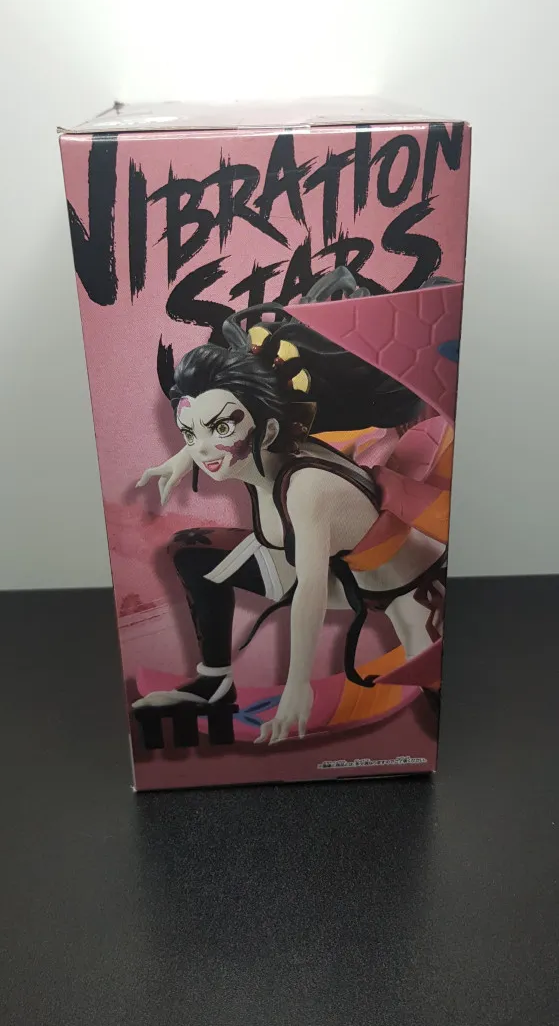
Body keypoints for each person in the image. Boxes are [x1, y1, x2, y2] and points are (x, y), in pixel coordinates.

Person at [133, 269, 448, 744]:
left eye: (220, 430)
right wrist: (181, 457)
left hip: (409, 587)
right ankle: (214, 684)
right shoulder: (264, 437)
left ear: (268, 428)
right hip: (347, 572)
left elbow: (310, 594)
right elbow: (214, 415)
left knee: (442, 699)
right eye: (189, 433)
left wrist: (298, 686)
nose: (203, 449)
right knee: (192, 554)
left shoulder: (306, 488)